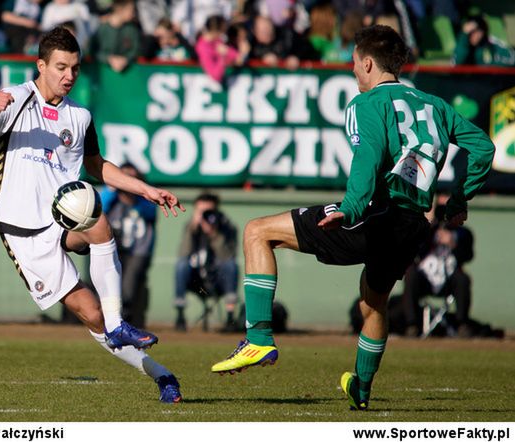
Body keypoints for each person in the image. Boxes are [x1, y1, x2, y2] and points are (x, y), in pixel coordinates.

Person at [211, 25, 495, 411]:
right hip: (413, 225)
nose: (353, 73)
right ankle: (361, 388)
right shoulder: (436, 105)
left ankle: (258, 338)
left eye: (355, 66)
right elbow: (483, 147)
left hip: (374, 212)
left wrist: (351, 206)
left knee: (257, 232)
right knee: (373, 304)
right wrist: (460, 199)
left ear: (367, 63)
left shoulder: (367, 104)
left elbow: (369, 156)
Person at [0, 26, 185, 403]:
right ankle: (161, 374)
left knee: (98, 221)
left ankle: (118, 322)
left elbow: (98, 166)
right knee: (91, 315)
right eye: (61, 67)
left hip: (61, 216)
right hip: (21, 231)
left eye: (75, 68)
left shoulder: (80, 116)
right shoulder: (15, 100)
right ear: (40, 65)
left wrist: (147, 189)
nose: (69, 76)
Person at [402, 194, 475, 338]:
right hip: (425, 278)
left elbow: (468, 256)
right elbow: (416, 250)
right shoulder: (427, 230)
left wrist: (453, 242)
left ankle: (462, 324)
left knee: (463, 279)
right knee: (410, 274)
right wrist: (431, 228)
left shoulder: (463, 233)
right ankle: (411, 325)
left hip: (449, 278)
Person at [99, 162, 157, 329]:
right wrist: (112, 187)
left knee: (128, 287)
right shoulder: (112, 199)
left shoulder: (144, 201)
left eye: (132, 178)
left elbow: (150, 212)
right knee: (108, 285)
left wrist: (136, 194)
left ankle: (124, 320)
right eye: (124, 178)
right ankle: (111, 320)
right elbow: (99, 207)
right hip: (114, 248)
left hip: (137, 250)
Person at [174, 192, 239, 332]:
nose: (206, 215)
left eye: (209, 211)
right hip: (197, 280)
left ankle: (230, 317)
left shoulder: (227, 227)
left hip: (218, 279)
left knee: (231, 266)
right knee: (181, 265)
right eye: (202, 211)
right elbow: (183, 254)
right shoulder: (190, 227)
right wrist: (193, 228)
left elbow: (227, 257)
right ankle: (180, 316)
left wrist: (214, 234)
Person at [195, 15, 249, 83]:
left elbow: (238, 59)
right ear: (216, 30)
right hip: (208, 87)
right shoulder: (202, 47)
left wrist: (244, 53)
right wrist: (222, 57)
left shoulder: (218, 42)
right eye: (223, 29)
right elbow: (216, 75)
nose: (225, 31)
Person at [92, 0, 140, 72]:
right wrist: (108, 59)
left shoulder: (132, 29)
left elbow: (135, 50)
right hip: (102, 72)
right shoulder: (101, 28)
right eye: (132, 10)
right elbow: (92, 51)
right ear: (120, 9)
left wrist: (126, 59)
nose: (134, 14)